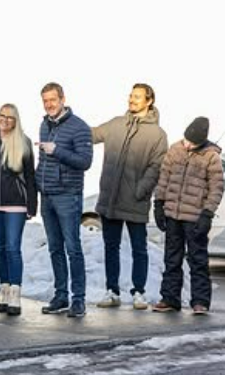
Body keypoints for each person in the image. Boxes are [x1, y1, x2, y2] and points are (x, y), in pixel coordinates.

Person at [92, 84, 168, 311]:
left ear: (149, 101)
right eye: (131, 95)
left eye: (137, 96)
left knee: (139, 249)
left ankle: (139, 292)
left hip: (136, 200)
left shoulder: (157, 135)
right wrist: (68, 122)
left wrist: (140, 190)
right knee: (111, 247)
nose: (131, 99)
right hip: (111, 200)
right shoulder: (116, 124)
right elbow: (91, 134)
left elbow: (156, 166)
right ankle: (112, 291)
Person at [153, 117, 224, 314]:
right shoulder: (175, 150)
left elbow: (217, 188)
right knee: (172, 259)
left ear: (202, 141)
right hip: (173, 215)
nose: (188, 145)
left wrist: (207, 214)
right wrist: (159, 204)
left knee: (197, 260)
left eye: (193, 143)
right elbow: (164, 178)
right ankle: (170, 298)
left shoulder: (211, 157)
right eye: (187, 140)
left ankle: (200, 301)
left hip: (195, 218)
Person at [36, 82, 93, 318]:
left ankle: (78, 300)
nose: (49, 104)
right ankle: (61, 296)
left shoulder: (79, 127)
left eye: (53, 99)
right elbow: (43, 161)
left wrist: (56, 150)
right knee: (54, 249)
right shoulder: (44, 125)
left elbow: (85, 161)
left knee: (73, 248)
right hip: (47, 195)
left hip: (68, 196)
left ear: (62, 99)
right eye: (45, 101)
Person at [0, 104, 37, 316]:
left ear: (16, 121)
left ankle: (15, 295)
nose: (5, 119)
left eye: (10, 117)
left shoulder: (24, 142)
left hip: (16, 204)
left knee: (13, 247)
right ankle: (4, 291)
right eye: (2, 115)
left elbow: (30, 176)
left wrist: (32, 205)